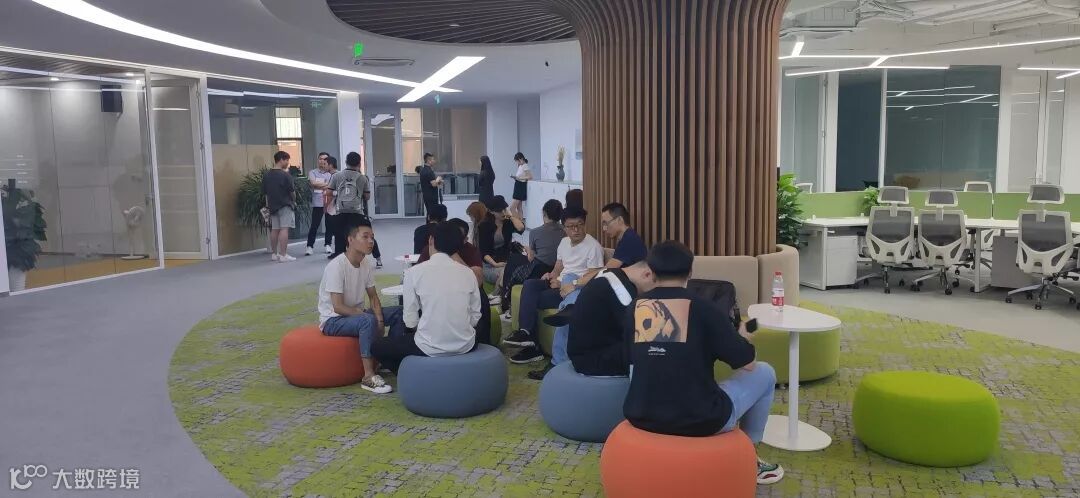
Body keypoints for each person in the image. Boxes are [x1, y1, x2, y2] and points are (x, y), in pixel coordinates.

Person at [624, 241, 784, 485]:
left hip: (641, 413)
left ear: (652, 272)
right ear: (690, 272)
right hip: (701, 418)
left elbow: (634, 358)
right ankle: (749, 457)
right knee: (765, 372)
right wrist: (741, 337)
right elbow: (747, 363)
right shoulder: (706, 309)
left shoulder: (634, 308)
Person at [372, 222, 482, 373]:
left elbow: (410, 321)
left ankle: (410, 373)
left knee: (377, 347)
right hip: (466, 344)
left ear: (431, 240)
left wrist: (427, 331)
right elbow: (475, 316)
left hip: (428, 345)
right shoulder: (468, 273)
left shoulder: (413, 273)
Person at [502, 207, 604, 364]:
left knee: (534, 299)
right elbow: (558, 266)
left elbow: (593, 276)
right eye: (571, 226)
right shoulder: (564, 242)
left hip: (574, 289)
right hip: (559, 284)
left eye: (580, 225)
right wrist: (552, 275)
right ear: (564, 228)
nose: (576, 230)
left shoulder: (593, 246)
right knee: (530, 284)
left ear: (585, 224)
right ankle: (525, 333)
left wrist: (563, 283)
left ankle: (534, 348)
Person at [317, 217, 405, 394]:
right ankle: (368, 376)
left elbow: (373, 296)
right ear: (350, 240)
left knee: (399, 312)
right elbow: (337, 306)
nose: (371, 241)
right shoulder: (336, 266)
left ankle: (388, 361)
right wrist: (369, 317)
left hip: (356, 315)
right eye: (365, 237)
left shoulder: (366, 263)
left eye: (372, 237)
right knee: (367, 320)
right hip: (333, 320)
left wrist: (380, 319)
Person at [527, 261, 657, 380]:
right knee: (653, 352)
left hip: (584, 352)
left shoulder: (608, 274)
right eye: (656, 286)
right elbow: (637, 333)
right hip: (592, 361)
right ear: (647, 274)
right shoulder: (621, 290)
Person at [418, 218, 492, 345]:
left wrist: (452, 253)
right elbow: (419, 276)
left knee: (481, 297)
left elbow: (478, 281)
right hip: (436, 292)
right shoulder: (430, 249)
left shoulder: (470, 250)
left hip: (463, 292)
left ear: (465, 239)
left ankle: (482, 342)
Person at [497, 199, 564, 319]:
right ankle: (505, 299)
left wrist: (527, 250)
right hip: (556, 268)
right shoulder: (565, 231)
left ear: (544, 213)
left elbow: (531, 258)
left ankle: (506, 302)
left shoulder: (535, 232)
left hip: (538, 269)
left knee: (513, 260)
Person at [329, 152, 382, 267]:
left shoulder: (337, 176)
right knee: (367, 235)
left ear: (346, 162)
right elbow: (367, 197)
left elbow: (329, 192)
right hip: (357, 212)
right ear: (359, 163)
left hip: (341, 212)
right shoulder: (362, 178)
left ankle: (341, 264)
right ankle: (378, 259)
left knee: (340, 238)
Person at [477, 195, 525, 304]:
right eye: (500, 211)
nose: (503, 212)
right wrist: (495, 264)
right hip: (489, 265)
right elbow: (484, 252)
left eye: (504, 209)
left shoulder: (507, 223)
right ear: (491, 212)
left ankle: (499, 298)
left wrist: (511, 216)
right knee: (506, 271)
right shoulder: (484, 226)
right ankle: (496, 295)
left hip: (506, 261)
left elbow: (521, 228)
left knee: (513, 270)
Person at [262, 151, 296, 262]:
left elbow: (265, 193)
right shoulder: (286, 175)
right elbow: (292, 192)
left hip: (272, 206)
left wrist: (268, 206)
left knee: (275, 229)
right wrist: (294, 201)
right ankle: (283, 255)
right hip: (285, 205)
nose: (288, 163)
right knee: (284, 229)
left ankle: (274, 254)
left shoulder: (267, 175)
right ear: (281, 160)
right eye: (287, 160)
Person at [600, 202, 647, 268]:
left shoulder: (629, 240)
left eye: (606, 223)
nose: (604, 229)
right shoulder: (627, 237)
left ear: (619, 220)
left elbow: (607, 270)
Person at [305, 152, 334, 256]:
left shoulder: (330, 173)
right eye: (320, 159)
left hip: (329, 202)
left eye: (325, 159)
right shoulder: (312, 172)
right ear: (318, 160)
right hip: (317, 202)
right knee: (314, 225)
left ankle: (328, 244)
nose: (322, 161)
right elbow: (313, 183)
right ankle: (309, 246)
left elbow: (332, 186)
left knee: (329, 225)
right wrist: (327, 184)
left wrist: (321, 185)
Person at [321, 156, 339, 254]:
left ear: (331, 165)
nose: (323, 166)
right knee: (331, 226)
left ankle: (336, 248)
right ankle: (329, 245)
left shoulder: (336, 176)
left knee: (333, 227)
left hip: (333, 206)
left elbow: (332, 192)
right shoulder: (334, 175)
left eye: (325, 164)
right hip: (333, 205)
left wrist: (326, 206)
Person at [418, 153, 443, 217]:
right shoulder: (429, 171)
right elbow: (434, 184)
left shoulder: (423, 170)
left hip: (426, 196)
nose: (434, 161)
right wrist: (438, 179)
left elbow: (429, 183)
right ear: (429, 160)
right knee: (433, 214)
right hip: (432, 197)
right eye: (433, 159)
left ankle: (428, 223)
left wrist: (438, 182)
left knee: (429, 214)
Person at [510, 152, 532, 219]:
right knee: (519, 208)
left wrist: (519, 178)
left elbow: (530, 177)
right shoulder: (520, 166)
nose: (517, 163)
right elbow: (520, 177)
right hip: (518, 185)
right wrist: (515, 177)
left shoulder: (525, 166)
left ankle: (518, 223)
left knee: (512, 208)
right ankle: (521, 223)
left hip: (520, 187)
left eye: (517, 161)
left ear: (521, 159)